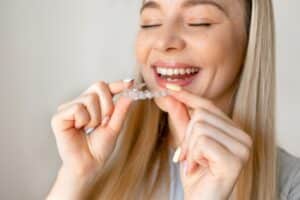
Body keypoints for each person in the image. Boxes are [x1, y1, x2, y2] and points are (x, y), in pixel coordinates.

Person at [46, 0, 300, 199]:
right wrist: (74, 176)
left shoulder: (291, 186)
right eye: (150, 23)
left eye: (199, 22)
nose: (163, 41)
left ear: (250, 40)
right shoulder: (100, 160)